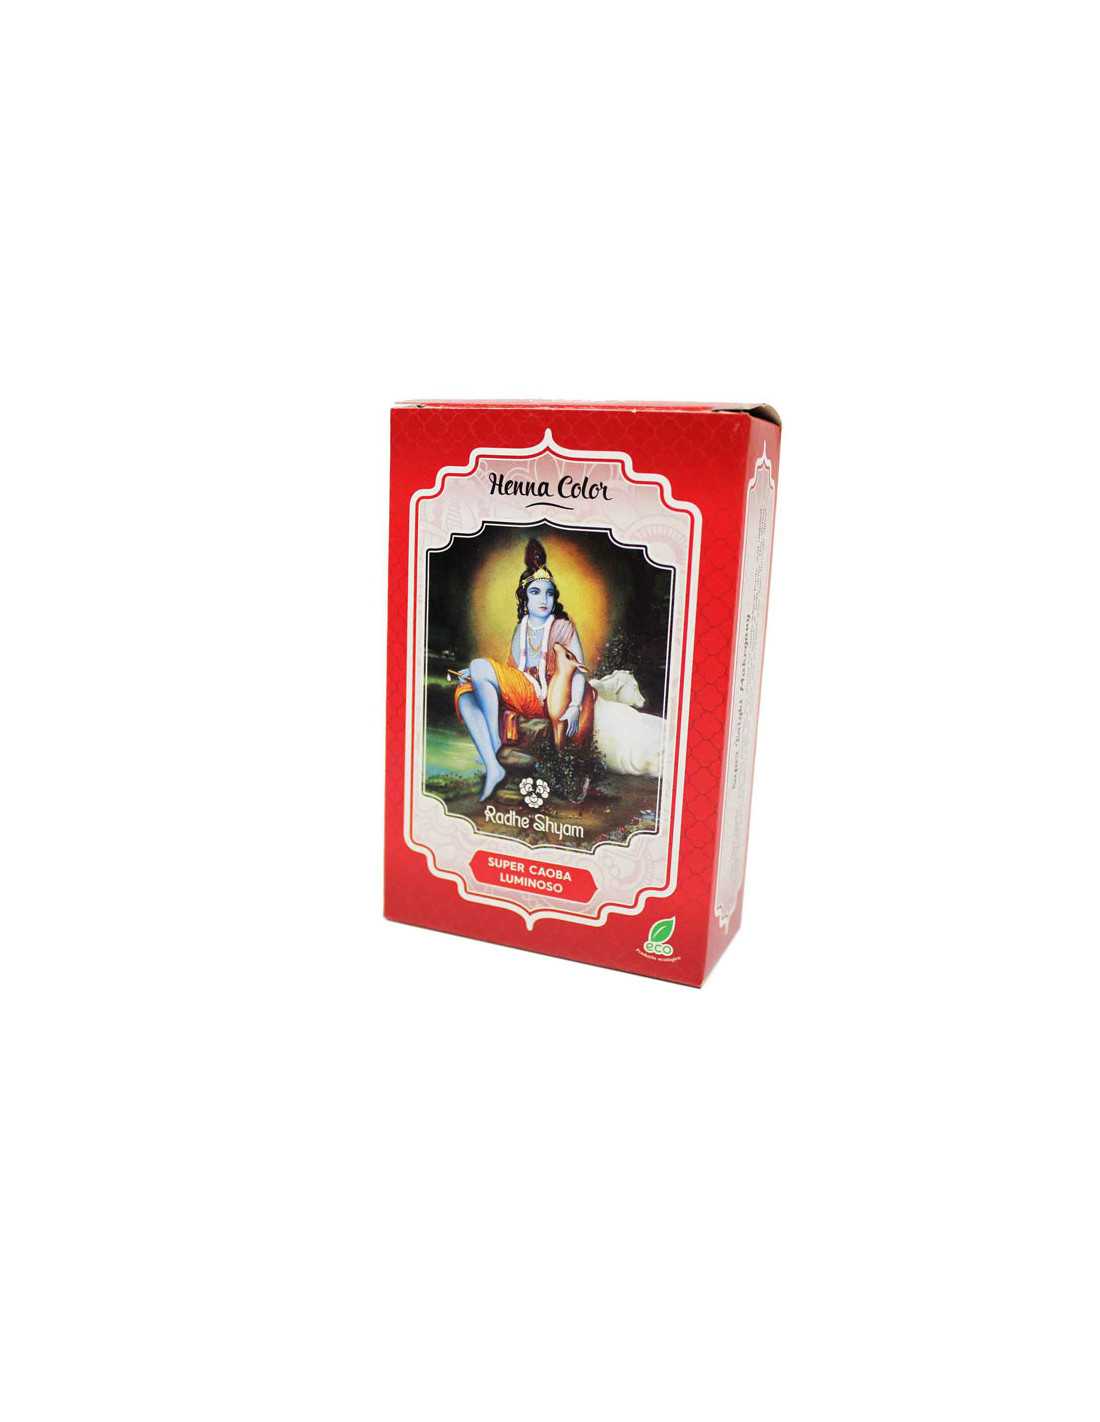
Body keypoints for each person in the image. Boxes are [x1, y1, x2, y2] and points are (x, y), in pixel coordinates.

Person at [454, 538, 595, 800]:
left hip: (549, 697)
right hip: (522, 691)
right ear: (525, 598)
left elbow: (578, 671)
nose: (544, 599)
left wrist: (575, 705)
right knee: (465, 693)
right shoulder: (522, 627)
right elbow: (511, 671)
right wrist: (475, 675)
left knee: (478, 666)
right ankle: (493, 765)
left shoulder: (563, 626)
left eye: (549, 593)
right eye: (536, 592)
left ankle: (494, 742)